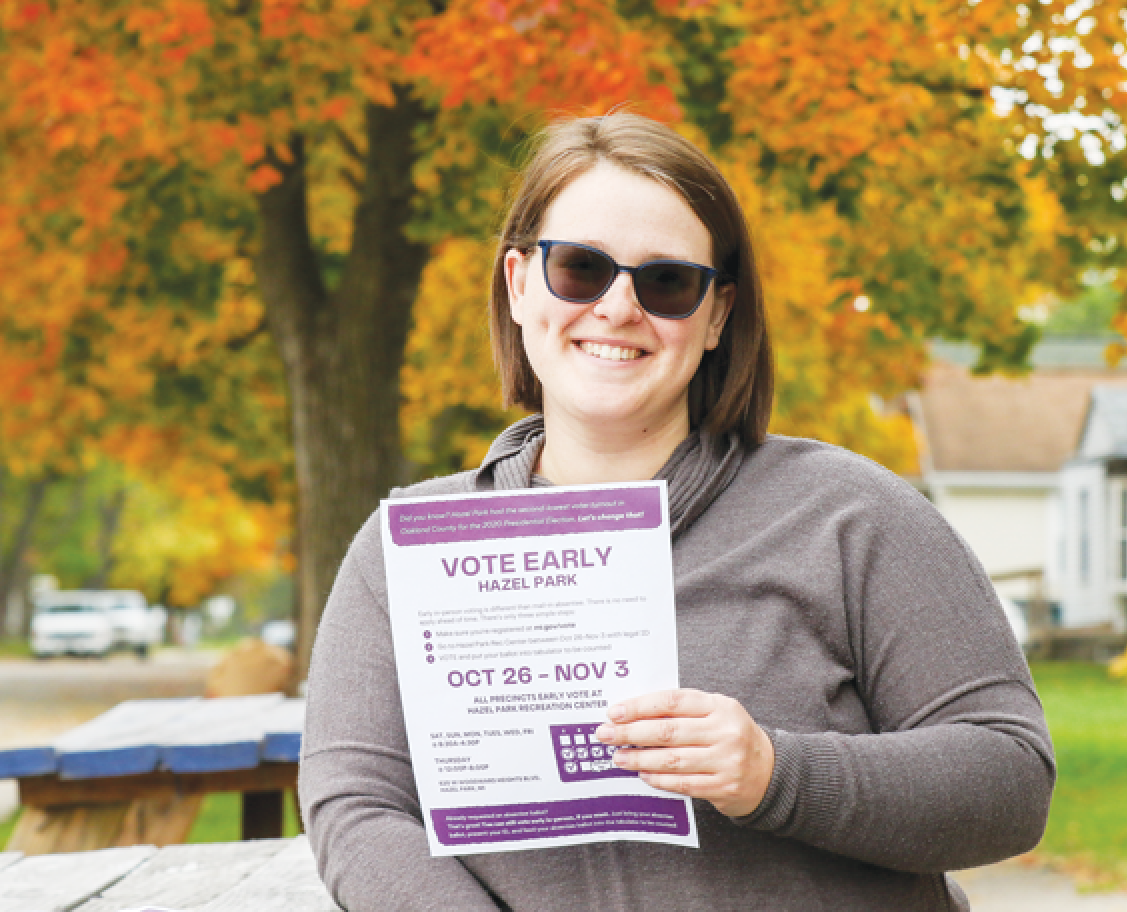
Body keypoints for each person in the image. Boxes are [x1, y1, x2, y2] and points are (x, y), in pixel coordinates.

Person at [299, 111, 1055, 912]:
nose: (619, 308)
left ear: (718, 314)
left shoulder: (852, 516)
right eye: (581, 269)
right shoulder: (407, 550)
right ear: (519, 284)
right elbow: (356, 807)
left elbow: (1011, 780)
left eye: (666, 282)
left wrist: (775, 772)